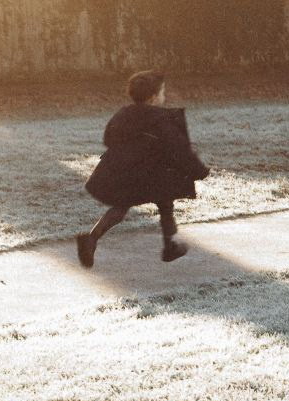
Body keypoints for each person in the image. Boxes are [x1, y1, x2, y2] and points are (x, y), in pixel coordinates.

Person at [76, 70, 210, 267]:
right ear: (154, 97)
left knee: (124, 205)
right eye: (163, 92)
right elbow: (179, 148)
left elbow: (108, 139)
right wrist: (199, 170)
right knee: (165, 197)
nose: (164, 95)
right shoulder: (161, 118)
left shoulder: (123, 113)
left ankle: (92, 238)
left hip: (125, 170)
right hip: (148, 174)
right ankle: (169, 245)